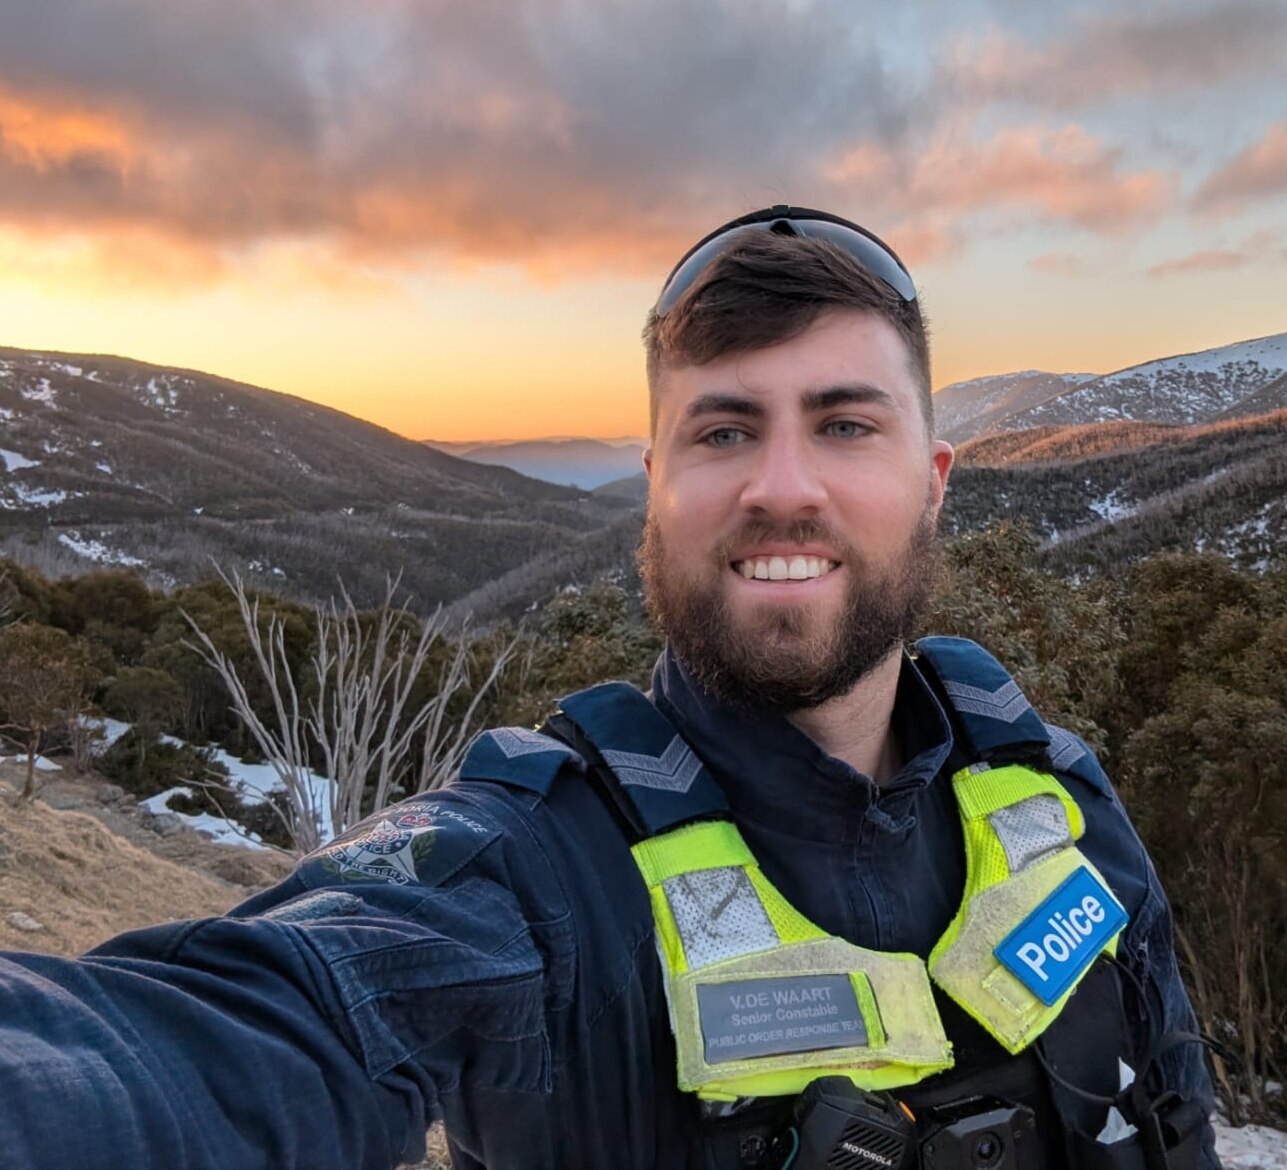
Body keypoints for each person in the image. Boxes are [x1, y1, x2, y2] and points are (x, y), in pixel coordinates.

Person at [0, 206, 1215, 1170]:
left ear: (935, 479)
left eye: (846, 426)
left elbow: (1176, 1119)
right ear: (654, 487)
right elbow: (237, 1029)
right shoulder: (529, 878)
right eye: (723, 432)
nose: (781, 487)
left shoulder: (1057, 800)